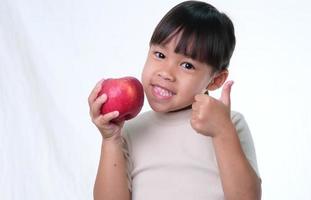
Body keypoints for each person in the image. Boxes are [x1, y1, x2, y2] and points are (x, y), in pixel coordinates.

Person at [88, 1, 261, 199]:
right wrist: (110, 140)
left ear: (215, 80)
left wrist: (222, 131)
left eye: (187, 65)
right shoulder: (130, 130)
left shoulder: (229, 124)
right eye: (160, 54)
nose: (166, 73)